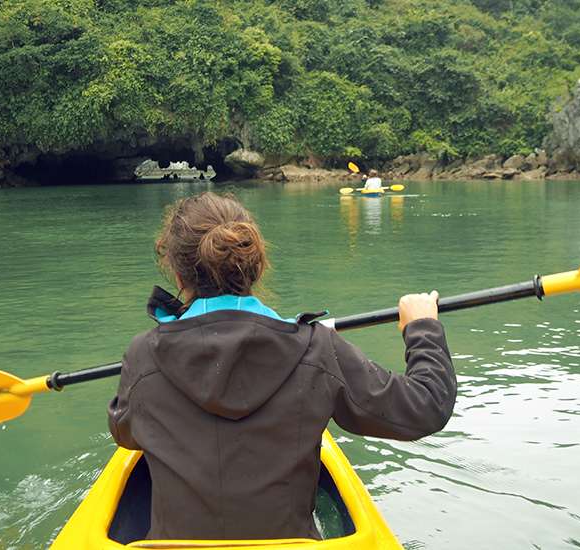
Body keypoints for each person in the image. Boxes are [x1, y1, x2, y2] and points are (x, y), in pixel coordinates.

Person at [108, 192, 456, 540]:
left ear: (179, 276)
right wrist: (421, 326)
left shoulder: (144, 355)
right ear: (253, 265)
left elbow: (124, 433)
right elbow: (426, 405)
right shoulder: (317, 348)